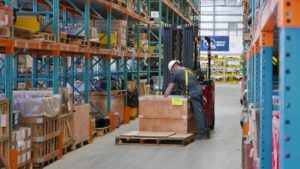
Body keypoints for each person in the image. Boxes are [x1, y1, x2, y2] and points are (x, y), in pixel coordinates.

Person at [164, 60, 210, 139]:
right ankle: (206, 130)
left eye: (172, 70)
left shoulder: (176, 73)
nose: (173, 72)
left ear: (174, 67)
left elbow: (169, 88)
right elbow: (194, 83)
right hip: (198, 90)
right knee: (200, 111)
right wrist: (201, 95)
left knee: (198, 112)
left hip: (194, 92)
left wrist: (163, 98)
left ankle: (202, 131)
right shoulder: (188, 70)